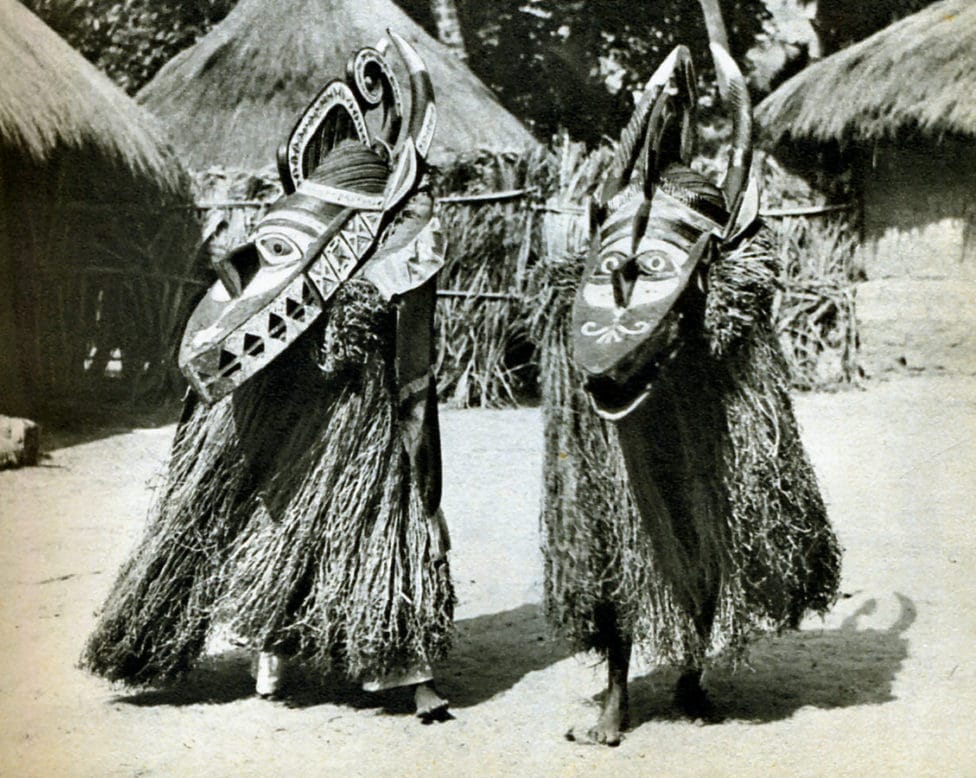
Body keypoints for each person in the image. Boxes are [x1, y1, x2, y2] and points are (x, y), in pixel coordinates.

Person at [81, 34, 455, 721]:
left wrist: (367, 309)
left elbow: (411, 321)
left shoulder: (403, 227)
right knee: (280, 512)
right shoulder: (301, 222)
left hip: (359, 403)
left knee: (366, 519)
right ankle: (278, 649)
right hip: (291, 396)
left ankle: (389, 660)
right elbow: (252, 299)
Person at [528, 43, 841, 745]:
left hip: (694, 412)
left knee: (700, 536)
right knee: (611, 544)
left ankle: (691, 675)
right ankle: (615, 697)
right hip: (619, 411)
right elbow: (589, 300)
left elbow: (739, 299)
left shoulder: (710, 217)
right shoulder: (620, 213)